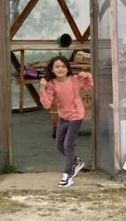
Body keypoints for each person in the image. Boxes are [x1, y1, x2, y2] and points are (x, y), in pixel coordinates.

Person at [38, 56, 94, 187]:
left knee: (68, 145)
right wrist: (42, 88)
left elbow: (89, 85)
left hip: (76, 116)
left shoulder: (75, 80)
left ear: (68, 68)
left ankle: (68, 175)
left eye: (63, 66)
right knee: (59, 145)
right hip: (63, 117)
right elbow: (46, 105)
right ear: (52, 69)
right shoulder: (51, 84)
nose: (60, 69)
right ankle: (76, 162)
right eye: (57, 67)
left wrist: (87, 75)